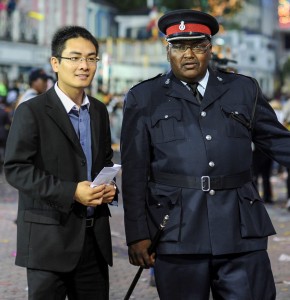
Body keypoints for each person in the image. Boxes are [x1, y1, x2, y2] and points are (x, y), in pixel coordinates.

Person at [121, 9, 290, 300]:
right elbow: (135, 172)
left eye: (198, 46)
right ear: (167, 50)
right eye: (179, 46)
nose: (188, 54)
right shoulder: (144, 97)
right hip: (176, 230)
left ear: (210, 49)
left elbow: (278, 142)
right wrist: (137, 234)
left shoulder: (243, 89)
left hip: (241, 231)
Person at [4, 25, 117, 300]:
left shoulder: (99, 111)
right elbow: (16, 169)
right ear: (55, 63)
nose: (84, 66)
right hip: (48, 242)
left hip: (94, 244)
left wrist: (110, 190)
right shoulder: (32, 111)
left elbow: (104, 162)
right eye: (75, 57)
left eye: (91, 58)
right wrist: (71, 192)